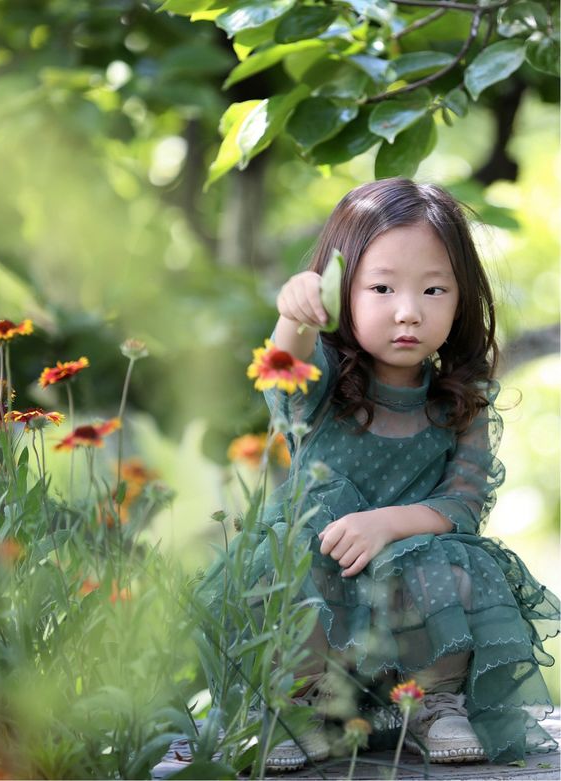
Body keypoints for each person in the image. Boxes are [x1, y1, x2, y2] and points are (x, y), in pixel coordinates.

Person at [198, 178, 559, 771]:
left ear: (462, 297)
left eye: (434, 289)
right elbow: (279, 373)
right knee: (290, 576)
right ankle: (304, 707)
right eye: (382, 287)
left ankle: (433, 702)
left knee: (465, 568)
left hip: (407, 596)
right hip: (324, 569)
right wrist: (294, 312)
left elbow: (463, 504)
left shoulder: (458, 402)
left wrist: (387, 524)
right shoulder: (322, 386)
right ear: (343, 294)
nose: (408, 311)